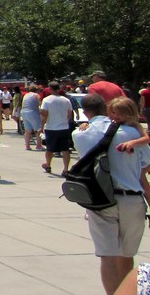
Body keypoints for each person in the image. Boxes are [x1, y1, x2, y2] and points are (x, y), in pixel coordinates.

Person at [73, 94, 150, 295]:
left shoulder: (80, 134)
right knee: (127, 255)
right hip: (131, 199)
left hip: (100, 199)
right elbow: (145, 169)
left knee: (107, 256)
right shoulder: (133, 133)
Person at [40, 82, 74, 175]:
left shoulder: (46, 100)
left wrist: (42, 126)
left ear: (50, 89)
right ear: (59, 89)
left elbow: (44, 114)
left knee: (49, 149)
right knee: (65, 149)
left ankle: (48, 164)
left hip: (51, 128)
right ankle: (66, 169)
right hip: (64, 127)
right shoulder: (66, 100)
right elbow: (69, 114)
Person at [19, 85, 44, 151]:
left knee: (28, 130)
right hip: (32, 111)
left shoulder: (26, 95)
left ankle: (27, 145)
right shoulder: (36, 95)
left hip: (24, 111)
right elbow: (41, 104)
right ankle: (38, 145)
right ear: (37, 90)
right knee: (38, 129)